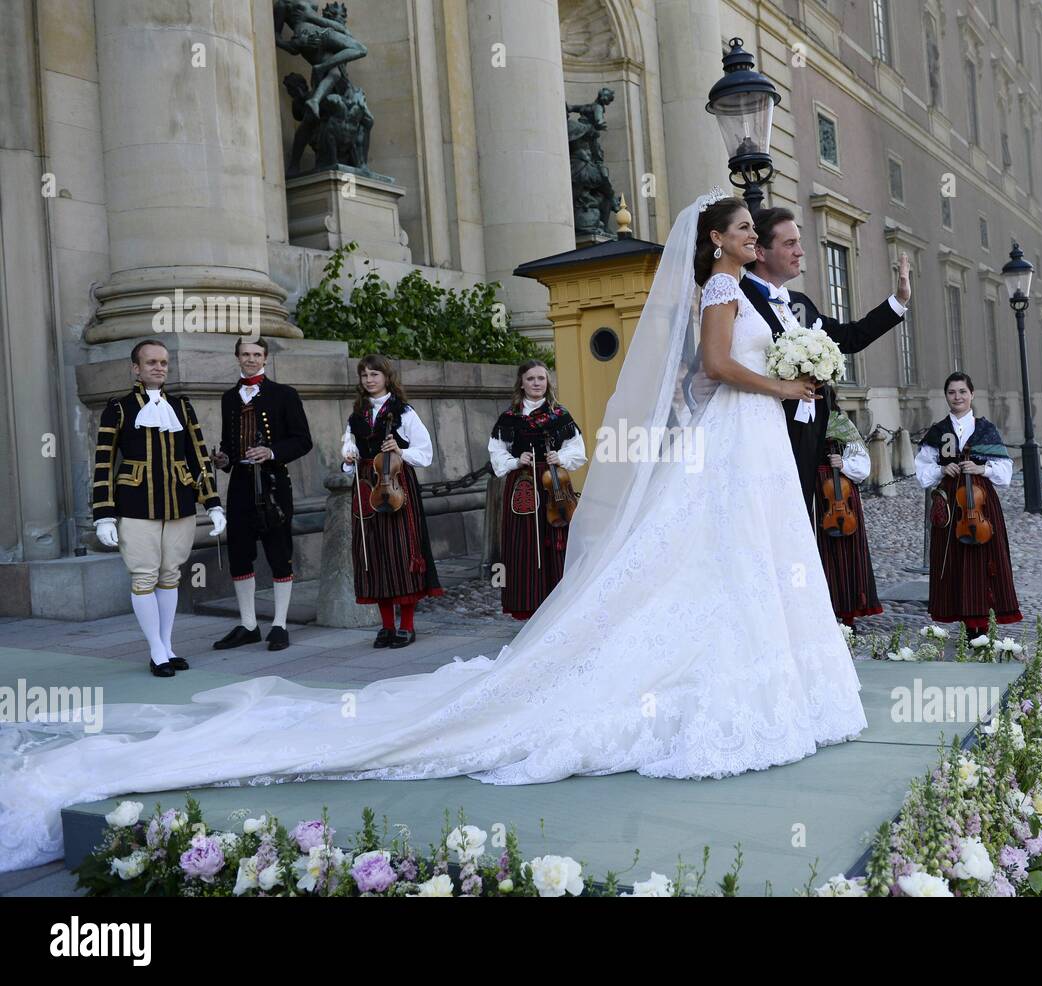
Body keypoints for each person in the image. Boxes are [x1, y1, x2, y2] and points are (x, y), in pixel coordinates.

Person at [0, 189, 870, 873]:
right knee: (717, 549)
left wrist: (798, 376)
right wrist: (784, 389)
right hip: (744, 432)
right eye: (749, 228)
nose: (758, 238)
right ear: (718, 240)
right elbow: (716, 366)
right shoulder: (719, 287)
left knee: (745, 554)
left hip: (750, 442)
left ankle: (751, 662)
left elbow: (720, 370)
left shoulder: (750, 291)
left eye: (760, 230)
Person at [737, 206, 910, 523]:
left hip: (814, 432)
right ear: (760, 251)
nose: (800, 251)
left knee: (805, 522)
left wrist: (897, 302)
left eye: (799, 242)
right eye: (789, 244)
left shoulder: (799, 303)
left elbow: (849, 337)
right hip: (771, 432)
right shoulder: (738, 300)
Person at [91, 340, 226, 677]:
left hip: (180, 502)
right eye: (151, 362)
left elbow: (198, 457)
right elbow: (103, 463)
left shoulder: (182, 406)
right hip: (136, 505)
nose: (159, 367)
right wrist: (103, 513)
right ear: (136, 367)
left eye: (163, 362)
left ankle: (167, 646)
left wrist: (213, 504)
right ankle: (155, 651)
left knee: (170, 576)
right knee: (144, 576)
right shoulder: (119, 408)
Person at [211, 338, 314, 652]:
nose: (251, 359)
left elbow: (303, 440)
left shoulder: (285, 394)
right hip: (241, 482)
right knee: (240, 552)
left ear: (265, 358)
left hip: (272, 482)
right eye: (245, 354)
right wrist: (225, 460)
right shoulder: (229, 398)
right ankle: (249, 625)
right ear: (237, 357)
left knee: (278, 551)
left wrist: (271, 451)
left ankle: (280, 625)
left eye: (257, 354)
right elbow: (230, 444)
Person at [342, 355, 444, 648]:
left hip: (397, 485)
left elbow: (425, 453)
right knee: (373, 554)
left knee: (401, 554)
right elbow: (349, 448)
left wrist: (400, 449)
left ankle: (407, 626)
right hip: (366, 487)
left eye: (374, 374)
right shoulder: (356, 415)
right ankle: (386, 626)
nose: (369, 379)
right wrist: (348, 458)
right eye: (364, 375)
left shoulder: (404, 412)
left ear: (386, 377)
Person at [914, 372, 1022, 636]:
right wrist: (942, 470)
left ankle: (983, 623)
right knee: (953, 560)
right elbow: (921, 471)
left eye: (962, 392)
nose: (957, 397)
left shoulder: (985, 429)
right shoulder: (938, 431)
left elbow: (1005, 470)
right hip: (951, 502)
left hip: (981, 503)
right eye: (952, 392)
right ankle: (963, 620)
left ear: (971, 394)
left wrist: (981, 468)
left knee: (984, 560)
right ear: (946, 396)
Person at [488, 361, 588, 619]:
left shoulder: (559, 415)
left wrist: (560, 457)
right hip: (522, 483)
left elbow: (577, 449)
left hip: (554, 485)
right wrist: (515, 460)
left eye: (541, 378)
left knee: (557, 542)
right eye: (530, 378)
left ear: (547, 382)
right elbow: (496, 452)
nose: (536, 383)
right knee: (523, 544)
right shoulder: (509, 418)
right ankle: (527, 606)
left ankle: (560, 606)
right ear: (521, 382)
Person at [813, 389, 882, 626]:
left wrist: (842, 463)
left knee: (847, 553)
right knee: (820, 553)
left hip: (841, 496)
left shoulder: (842, 424)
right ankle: (822, 611)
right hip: (815, 496)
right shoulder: (801, 423)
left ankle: (848, 613)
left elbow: (862, 466)